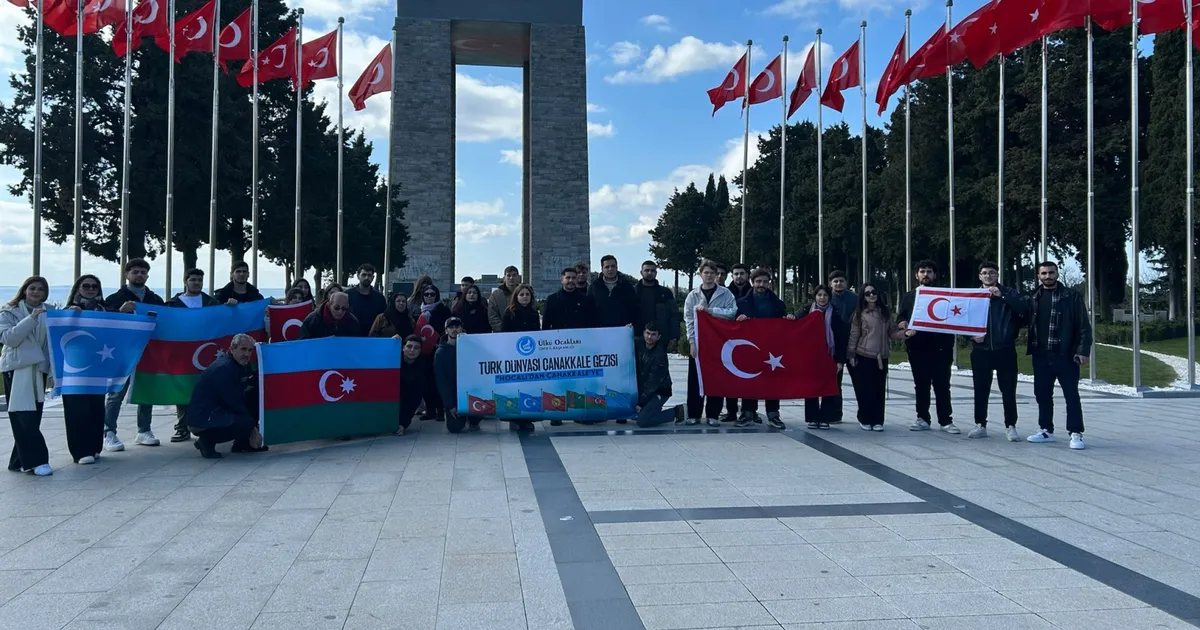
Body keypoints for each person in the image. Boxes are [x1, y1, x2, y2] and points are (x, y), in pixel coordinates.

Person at [1026, 261, 1092, 450]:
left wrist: (1082, 351)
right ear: (1038, 276)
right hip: (1041, 354)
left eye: (1051, 272)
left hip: (1066, 354)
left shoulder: (1071, 296)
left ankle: (1075, 432)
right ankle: (1046, 429)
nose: (1048, 276)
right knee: (1042, 394)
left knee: (1071, 394)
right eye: (1044, 273)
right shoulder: (1033, 297)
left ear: (1057, 273)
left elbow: (1084, 326)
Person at [103, 258, 165, 451]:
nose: (139, 275)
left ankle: (144, 430)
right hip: (122, 353)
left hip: (148, 351)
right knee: (116, 393)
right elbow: (105, 323)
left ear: (147, 275)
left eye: (143, 272)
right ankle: (108, 432)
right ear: (127, 274)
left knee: (146, 392)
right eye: (135, 272)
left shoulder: (155, 300)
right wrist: (120, 312)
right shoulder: (114, 299)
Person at [969, 261, 1030, 441]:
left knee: (1008, 389)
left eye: (992, 272)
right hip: (981, 350)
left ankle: (1010, 425)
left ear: (997, 275)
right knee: (980, 389)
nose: (988, 276)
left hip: (1005, 348)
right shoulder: (972, 296)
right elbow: (962, 318)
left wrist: (1003, 296)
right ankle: (980, 424)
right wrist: (970, 335)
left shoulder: (1009, 293)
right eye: (984, 273)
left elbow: (1024, 311)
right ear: (980, 276)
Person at [898, 260, 958, 434]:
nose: (926, 274)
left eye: (929, 271)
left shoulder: (946, 295)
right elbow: (901, 317)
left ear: (935, 275)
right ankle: (922, 418)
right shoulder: (909, 296)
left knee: (942, 385)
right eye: (922, 271)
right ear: (916, 275)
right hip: (918, 348)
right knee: (921, 385)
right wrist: (902, 323)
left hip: (941, 349)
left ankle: (946, 420)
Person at [186, 334, 268, 459]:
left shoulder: (240, 363)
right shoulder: (224, 368)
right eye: (243, 349)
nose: (246, 354)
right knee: (245, 422)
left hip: (217, 409)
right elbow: (234, 402)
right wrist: (253, 428)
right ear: (232, 348)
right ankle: (206, 441)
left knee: (255, 398)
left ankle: (242, 444)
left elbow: (252, 380)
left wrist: (266, 355)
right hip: (203, 417)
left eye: (250, 350)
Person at [1, 277, 53, 476]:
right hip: (17, 368)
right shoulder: (9, 312)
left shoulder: (50, 311)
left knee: (33, 415)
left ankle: (18, 461)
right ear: (24, 290)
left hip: (39, 368)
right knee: (23, 415)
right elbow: (9, 339)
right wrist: (31, 319)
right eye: (32, 288)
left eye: (41, 289)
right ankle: (36, 460)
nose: (36, 292)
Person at [847, 283, 913, 430]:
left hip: (881, 356)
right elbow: (854, 335)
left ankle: (877, 420)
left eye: (874, 292)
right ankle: (865, 418)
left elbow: (892, 332)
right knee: (865, 390)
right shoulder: (859, 314)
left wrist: (905, 333)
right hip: (864, 355)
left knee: (879, 389)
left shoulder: (885, 312)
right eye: (867, 293)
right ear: (863, 296)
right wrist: (851, 354)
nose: (871, 295)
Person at [167, 268, 222, 443]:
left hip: (206, 352)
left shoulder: (212, 302)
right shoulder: (173, 305)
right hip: (182, 353)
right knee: (183, 390)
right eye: (193, 279)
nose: (196, 283)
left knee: (207, 389)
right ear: (185, 281)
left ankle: (207, 425)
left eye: (199, 280)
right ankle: (182, 428)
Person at [733, 268, 793, 429]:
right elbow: (732, 325)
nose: (761, 284)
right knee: (749, 380)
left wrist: (788, 320)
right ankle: (747, 413)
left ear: (769, 283)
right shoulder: (741, 303)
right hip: (750, 349)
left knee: (772, 381)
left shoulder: (778, 304)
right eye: (758, 281)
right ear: (752, 282)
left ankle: (773, 414)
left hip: (772, 349)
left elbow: (784, 325)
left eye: (765, 282)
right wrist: (739, 319)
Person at [683, 260, 737, 427]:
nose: (709, 275)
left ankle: (713, 414)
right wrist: (692, 342)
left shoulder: (726, 294)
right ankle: (694, 414)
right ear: (700, 274)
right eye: (706, 272)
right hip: (699, 343)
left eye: (712, 273)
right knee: (695, 380)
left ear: (716, 275)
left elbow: (732, 312)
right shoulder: (693, 295)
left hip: (718, 343)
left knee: (715, 378)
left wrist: (711, 311)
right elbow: (689, 320)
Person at [61, 274, 108, 464]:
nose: (90, 289)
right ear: (78, 288)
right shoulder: (68, 311)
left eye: (94, 286)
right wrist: (68, 317)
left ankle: (95, 447)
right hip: (73, 369)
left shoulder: (104, 310)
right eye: (86, 286)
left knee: (96, 408)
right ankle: (80, 451)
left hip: (97, 366)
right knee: (76, 410)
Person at [800, 285, 850, 430]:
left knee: (829, 387)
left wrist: (840, 361)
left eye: (825, 295)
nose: (822, 298)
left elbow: (841, 339)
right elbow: (794, 325)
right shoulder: (806, 311)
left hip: (829, 355)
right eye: (819, 295)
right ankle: (812, 417)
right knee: (811, 387)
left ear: (829, 297)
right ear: (815, 297)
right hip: (810, 356)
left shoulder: (835, 313)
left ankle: (825, 418)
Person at [436, 318, 490, 433]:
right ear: (446, 330)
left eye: (457, 327)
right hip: (454, 395)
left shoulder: (472, 347)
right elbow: (442, 382)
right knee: (454, 428)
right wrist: (450, 405)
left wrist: (468, 342)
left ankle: (474, 419)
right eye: (451, 327)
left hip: (471, 392)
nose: (454, 330)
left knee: (476, 417)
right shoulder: (440, 353)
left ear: (462, 328)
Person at [634, 323, 684, 427]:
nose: (649, 337)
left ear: (658, 336)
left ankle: (677, 412)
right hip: (644, 390)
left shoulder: (659, 355)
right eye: (648, 333)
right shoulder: (639, 344)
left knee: (642, 421)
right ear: (643, 333)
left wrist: (641, 403)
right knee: (635, 414)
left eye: (653, 334)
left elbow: (653, 383)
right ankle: (652, 410)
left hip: (660, 391)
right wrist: (626, 329)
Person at [416, 285, 452, 421]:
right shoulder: (419, 311)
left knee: (438, 382)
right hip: (423, 352)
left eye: (432, 294)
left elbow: (448, 329)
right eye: (426, 294)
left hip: (438, 350)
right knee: (426, 382)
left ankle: (440, 411)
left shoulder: (443, 310)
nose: (429, 296)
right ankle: (430, 411)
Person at [634, 260, 680, 351]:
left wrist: (674, 337)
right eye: (646, 270)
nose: (649, 273)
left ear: (656, 273)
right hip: (637, 338)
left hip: (660, 339)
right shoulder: (633, 292)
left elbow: (674, 316)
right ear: (641, 272)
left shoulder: (665, 293)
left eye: (652, 270)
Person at [588, 255, 638, 328]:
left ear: (617, 268)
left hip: (623, 329)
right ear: (602, 269)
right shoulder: (594, 287)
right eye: (607, 267)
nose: (610, 269)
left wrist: (632, 325)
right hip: (599, 330)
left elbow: (634, 310)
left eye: (613, 266)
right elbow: (589, 310)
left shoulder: (627, 287)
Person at [542, 267, 595, 331]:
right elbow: (546, 324)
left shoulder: (585, 300)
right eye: (568, 278)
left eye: (574, 278)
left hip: (580, 335)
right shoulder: (551, 300)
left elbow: (590, 323)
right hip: (559, 336)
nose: (571, 280)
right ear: (562, 280)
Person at [348, 264, 388, 337]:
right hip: (351, 336)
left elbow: (383, 319)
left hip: (373, 337)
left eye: (369, 275)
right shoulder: (348, 295)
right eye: (364, 275)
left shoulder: (379, 298)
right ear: (358, 276)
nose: (366, 277)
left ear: (373, 277)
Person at [397, 335, 426, 435]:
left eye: (416, 348)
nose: (412, 350)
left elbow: (414, 399)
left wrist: (403, 424)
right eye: (409, 346)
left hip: (406, 397)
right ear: (403, 347)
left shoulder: (422, 367)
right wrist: (390, 343)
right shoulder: (392, 358)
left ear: (420, 351)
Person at [488, 266, 521, 332]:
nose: (511, 278)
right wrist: (504, 329)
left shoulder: (524, 293)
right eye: (508, 275)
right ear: (504, 278)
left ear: (518, 277)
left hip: (522, 333)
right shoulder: (495, 295)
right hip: (502, 334)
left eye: (514, 275)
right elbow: (492, 316)